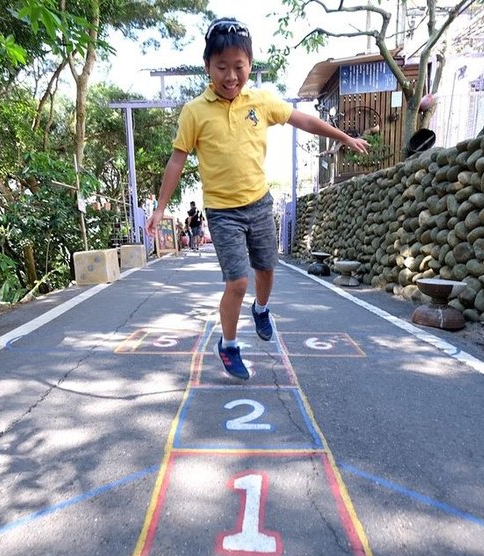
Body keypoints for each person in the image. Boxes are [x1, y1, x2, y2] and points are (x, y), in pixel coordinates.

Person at [145, 17, 369, 380]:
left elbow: (304, 120)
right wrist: (159, 208)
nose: (231, 76)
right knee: (237, 281)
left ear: (249, 65)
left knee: (266, 269)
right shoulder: (194, 112)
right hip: (221, 211)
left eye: (239, 67)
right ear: (207, 67)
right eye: (221, 68)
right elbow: (177, 159)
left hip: (259, 203)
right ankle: (229, 346)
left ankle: (261, 309)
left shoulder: (262, 101)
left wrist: (343, 137)